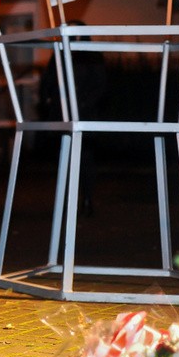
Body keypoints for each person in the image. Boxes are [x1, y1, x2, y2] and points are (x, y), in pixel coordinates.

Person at [38, 20, 107, 216]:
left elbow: (100, 85)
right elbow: (49, 80)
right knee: (64, 156)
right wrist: (48, 100)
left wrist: (84, 103)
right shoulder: (60, 53)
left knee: (85, 158)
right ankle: (66, 200)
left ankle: (86, 198)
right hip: (62, 113)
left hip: (84, 114)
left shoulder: (91, 55)